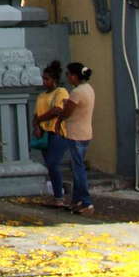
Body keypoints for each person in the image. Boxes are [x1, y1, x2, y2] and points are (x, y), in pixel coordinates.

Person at [59, 62, 97, 215]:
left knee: (78, 169)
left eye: (68, 75)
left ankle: (86, 202)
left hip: (75, 133)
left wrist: (63, 108)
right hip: (86, 132)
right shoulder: (89, 89)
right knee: (78, 167)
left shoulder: (77, 92)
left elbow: (67, 113)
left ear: (74, 76)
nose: (67, 77)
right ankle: (77, 201)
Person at [32, 61, 69, 209]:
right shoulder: (41, 96)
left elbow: (58, 110)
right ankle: (56, 196)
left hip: (57, 132)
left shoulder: (61, 92)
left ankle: (59, 196)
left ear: (54, 80)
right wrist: (36, 126)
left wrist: (40, 120)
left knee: (53, 163)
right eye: (43, 78)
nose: (44, 81)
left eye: (47, 79)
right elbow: (36, 115)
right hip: (44, 133)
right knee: (50, 165)